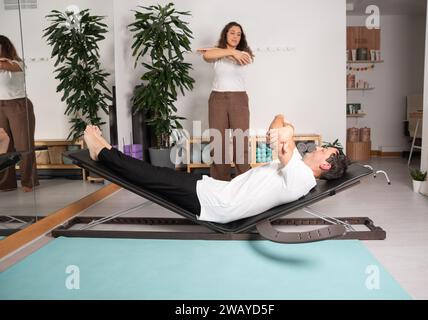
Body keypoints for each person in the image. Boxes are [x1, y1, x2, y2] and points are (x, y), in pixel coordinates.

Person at [83, 115, 349, 224]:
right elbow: (277, 124)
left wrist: (287, 131)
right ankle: (107, 152)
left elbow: (282, 134)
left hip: (217, 203)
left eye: (327, 150)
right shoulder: (298, 169)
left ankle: (103, 153)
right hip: (216, 192)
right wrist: (283, 128)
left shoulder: (302, 177)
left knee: (150, 177)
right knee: (153, 176)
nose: (321, 147)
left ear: (325, 164)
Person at [197, 22, 254, 181]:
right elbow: (206, 56)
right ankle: (219, 181)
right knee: (218, 141)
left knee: (240, 141)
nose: (236, 36)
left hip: (239, 99)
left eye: (239, 34)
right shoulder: (216, 54)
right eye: (232, 33)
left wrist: (225, 52)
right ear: (225, 34)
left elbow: (240, 58)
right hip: (218, 99)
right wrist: (225, 52)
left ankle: (245, 180)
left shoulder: (245, 54)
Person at [0, 35, 38, 192]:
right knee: (3, 145)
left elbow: (7, 66)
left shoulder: (17, 64)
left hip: (18, 105)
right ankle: (5, 183)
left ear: (5, 47)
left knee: (24, 145)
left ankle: (28, 182)